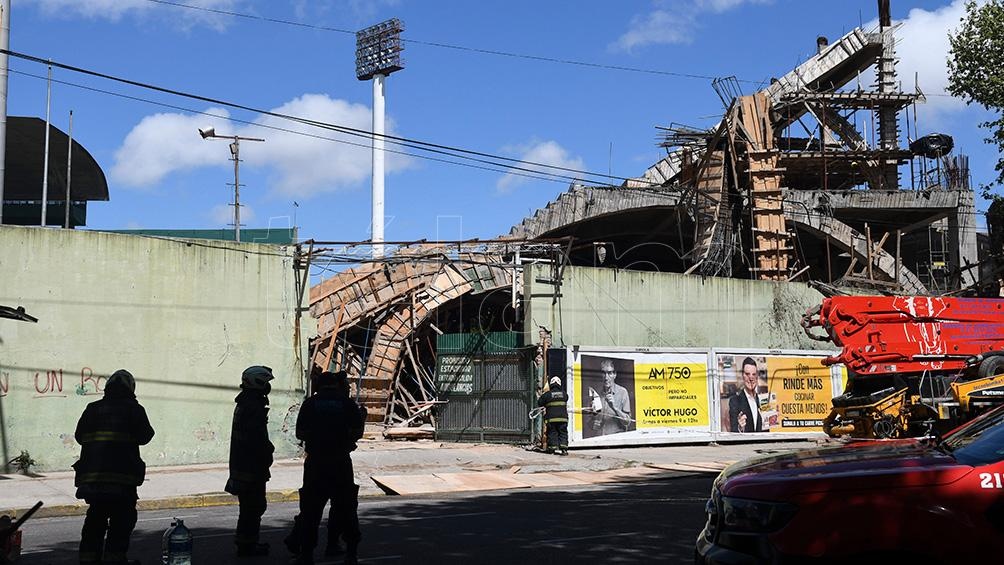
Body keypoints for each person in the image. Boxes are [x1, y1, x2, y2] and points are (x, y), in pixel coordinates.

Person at [73, 369, 155, 565]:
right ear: (131, 389)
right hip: (122, 481)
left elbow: (79, 437)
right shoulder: (134, 410)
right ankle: (114, 559)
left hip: (93, 481)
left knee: (95, 519)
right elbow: (146, 436)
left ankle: (88, 559)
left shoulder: (92, 409)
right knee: (122, 521)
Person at [288, 371, 366, 565]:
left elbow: (300, 432)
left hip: (316, 464)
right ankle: (351, 554)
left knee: (311, 512)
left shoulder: (310, 404)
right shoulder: (347, 405)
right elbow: (357, 433)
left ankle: (306, 556)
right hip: (340, 463)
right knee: (347, 509)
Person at [224, 365, 275, 557]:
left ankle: (248, 542)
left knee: (250, 507)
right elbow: (256, 439)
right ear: (258, 382)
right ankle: (247, 545)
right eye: (266, 382)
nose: (268, 387)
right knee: (253, 507)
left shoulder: (247, 403)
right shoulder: (253, 406)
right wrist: (268, 450)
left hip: (244, 465)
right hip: (250, 467)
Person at [587, 359, 632, 436]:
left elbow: (627, 422)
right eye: (603, 373)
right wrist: (592, 424)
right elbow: (588, 419)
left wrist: (614, 408)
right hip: (598, 439)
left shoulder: (622, 392)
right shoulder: (595, 392)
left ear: (614, 374)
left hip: (616, 439)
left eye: (609, 373)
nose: (606, 377)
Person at [728, 357, 764, 433]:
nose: (751, 378)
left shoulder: (762, 400)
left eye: (753, 374)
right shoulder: (735, 401)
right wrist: (740, 428)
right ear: (742, 376)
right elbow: (733, 431)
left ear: (757, 377)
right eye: (747, 374)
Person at [537, 376, 569, 455]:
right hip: (563, 419)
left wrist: (544, 394)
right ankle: (564, 449)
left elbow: (540, 403)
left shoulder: (547, 395)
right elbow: (566, 399)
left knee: (552, 432)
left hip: (551, 419)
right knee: (563, 433)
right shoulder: (564, 394)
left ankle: (552, 449)